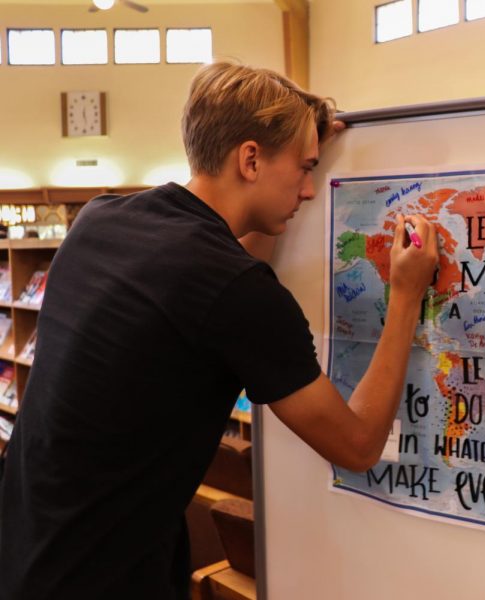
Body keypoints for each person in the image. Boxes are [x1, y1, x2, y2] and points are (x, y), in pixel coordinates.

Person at [0, 61, 438, 599]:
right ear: (250, 158)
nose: (308, 190)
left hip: (26, 546)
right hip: (101, 576)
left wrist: (301, 142)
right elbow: (359, 443)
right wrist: (405, 294)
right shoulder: (234, 289)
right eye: (304, 168)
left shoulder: (100, 219)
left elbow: (225, 275)